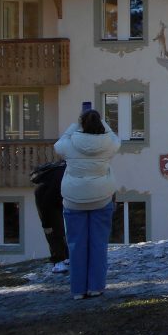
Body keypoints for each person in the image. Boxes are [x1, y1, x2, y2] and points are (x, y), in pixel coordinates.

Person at [54, 109, 120, 301]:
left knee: (76, 245)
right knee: (98, 244)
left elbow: (58, 144)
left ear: (81, 124)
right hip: (102, 197)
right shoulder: (108, 145)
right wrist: (103, 123)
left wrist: (75, 125)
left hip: (74, 200)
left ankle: (78, 290)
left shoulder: (69, 144)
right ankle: (96, 287)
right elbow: (115, 138)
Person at [32, 159, 69, 273]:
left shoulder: (70, 171)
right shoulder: (61, 175)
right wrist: (46, 224)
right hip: (46, 199)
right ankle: (58, 261)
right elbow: (47, 204)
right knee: (53, 231)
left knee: (63, 229)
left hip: (58, 197)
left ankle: (67, 257)